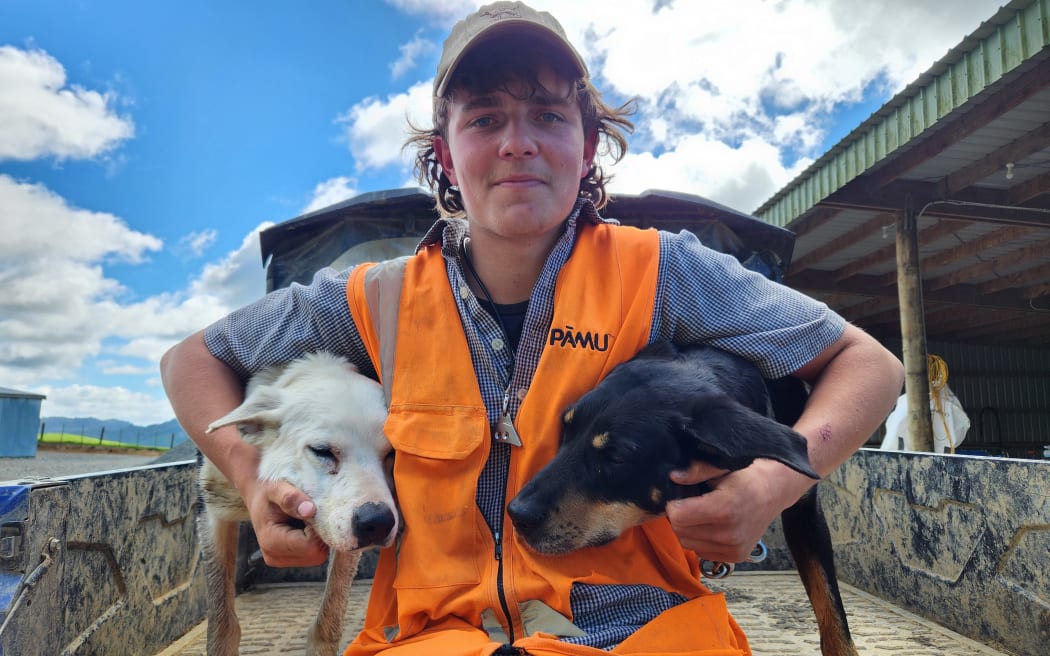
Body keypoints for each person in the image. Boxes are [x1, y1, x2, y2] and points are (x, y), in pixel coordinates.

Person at [160, 2, 905, 655]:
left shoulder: (667, 271)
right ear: (446, 154)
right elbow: (192, 360)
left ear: (587, 147)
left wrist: (771, 487)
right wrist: (254, 482)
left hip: (643, 638)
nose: (518, 141)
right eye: (485, 118)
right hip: (431, 641)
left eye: (549, 115)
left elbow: (869, 365)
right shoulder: (369, 301)